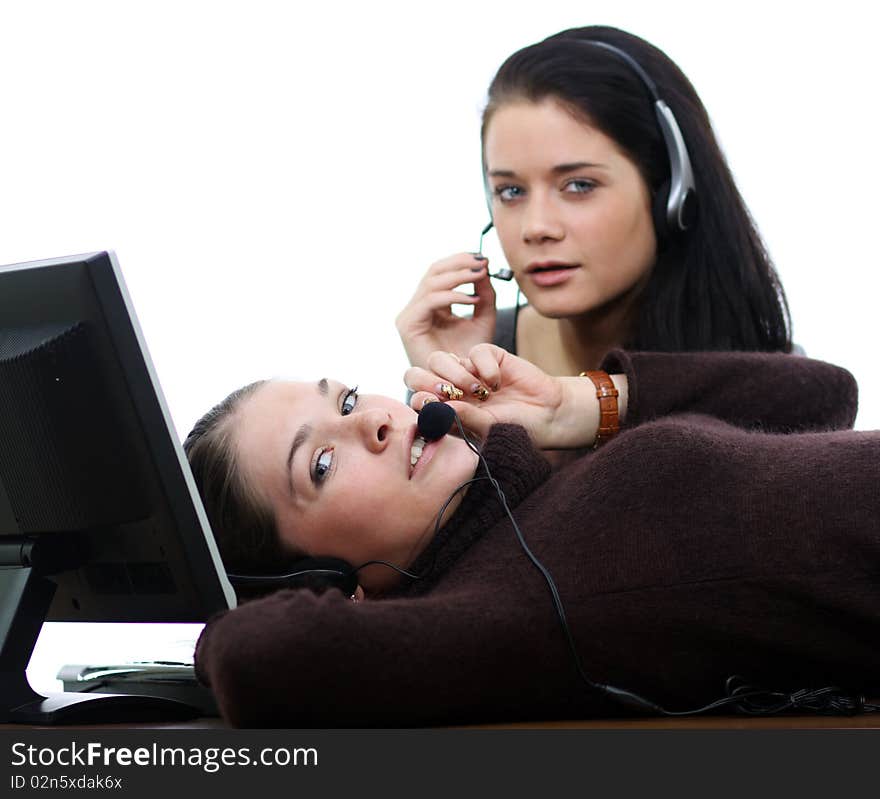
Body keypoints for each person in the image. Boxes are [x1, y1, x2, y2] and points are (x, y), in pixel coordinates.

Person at [186, 347, 879, 727]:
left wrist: (575, 407)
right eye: (321, 464)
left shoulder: (540, 498)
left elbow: (822, 394)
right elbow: (258, 655)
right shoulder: (502, 607)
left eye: (344, 399)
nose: (375, 421)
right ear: (318, 582)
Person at [396, 25, 793, 380]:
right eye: (511, 191)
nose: (536, 227)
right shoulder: (467, 355)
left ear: (670, 192)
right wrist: (456, 401)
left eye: (579, 185)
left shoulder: (762, 384)